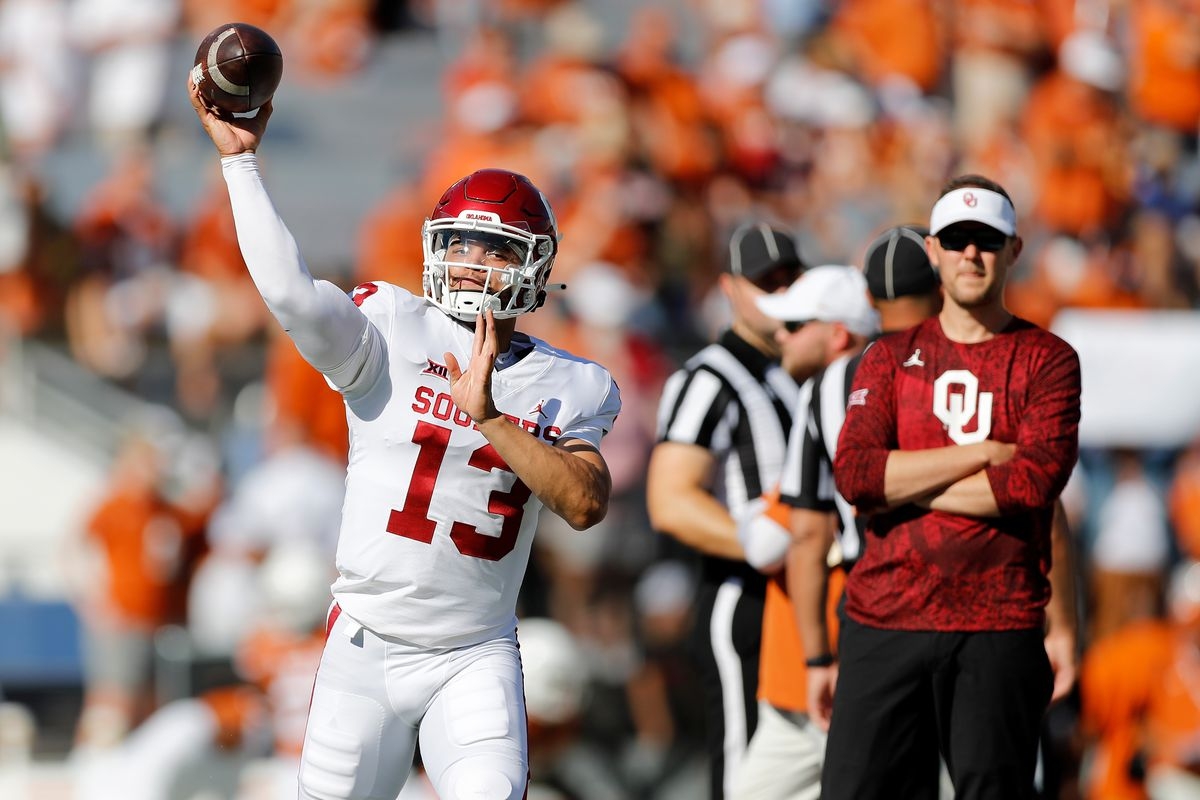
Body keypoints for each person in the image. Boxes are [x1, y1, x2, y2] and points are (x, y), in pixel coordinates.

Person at [188, 79, 621, 800]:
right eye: (462, 246)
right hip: (365, 644)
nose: (474, 265)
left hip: (474, 652)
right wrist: (240, 164)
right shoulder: (392, 326)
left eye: (495, 250)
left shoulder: (570, 383)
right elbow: (292, 295)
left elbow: (583, 503)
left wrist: (489, 417)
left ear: (534, 267)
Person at [825, 175, 1082, 800]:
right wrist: (979, 456)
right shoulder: (885, 359)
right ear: (934, 251)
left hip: (998, 622)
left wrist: (902, 480)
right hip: (885, 618)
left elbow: (1032, 485)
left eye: (987, 241)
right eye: (958, 240)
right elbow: (857, 476)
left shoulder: (1048, 359)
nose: (972, 254)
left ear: (1014, 251)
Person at [646, 220, 805, 799]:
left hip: (805, 602)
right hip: (748, 598)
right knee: (746, 779)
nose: (780, 292)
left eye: (790, 278)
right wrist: (770, 542)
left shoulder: (796, 372)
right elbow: (671, 501)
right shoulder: (710, 377)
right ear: (730, 288)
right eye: (765, 282)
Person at [729, 264, 881, 800]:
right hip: (851, 650)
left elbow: (769, 543)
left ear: (838, 334)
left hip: (827, 655)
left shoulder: (829, 397)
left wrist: (760, 506)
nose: (781, 335)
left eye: (795, 326)